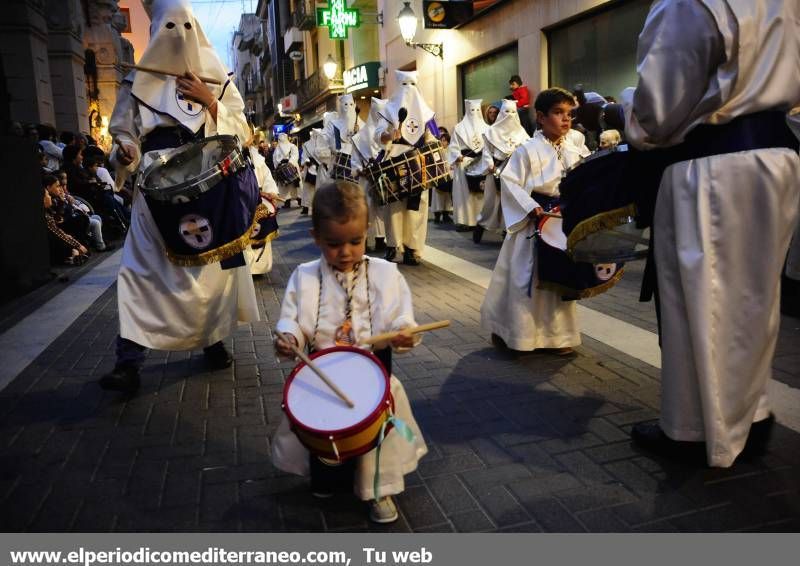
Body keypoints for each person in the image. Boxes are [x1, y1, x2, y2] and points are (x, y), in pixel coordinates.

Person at [623, 0, 800, 468]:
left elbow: (658, 110)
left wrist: (632, 117)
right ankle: (752, 412)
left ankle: (694, 430)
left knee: (699, 297)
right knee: (755, 300)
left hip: (714, 159)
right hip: (777, 159)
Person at [100, 0, 259, 394]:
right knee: (140, 272)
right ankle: (128, 361)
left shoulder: (218, 78)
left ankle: (214, 341)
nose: (176, 35)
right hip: (156, 190)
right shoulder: (135, 84)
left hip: (210, 183)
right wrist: (126, 152)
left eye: (184, 25)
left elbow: (243, 130)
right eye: (167, 26)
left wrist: (210, 100)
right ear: (154, 30)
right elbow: (123, 134)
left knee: (213, 275)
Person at [271, 181, 427, 524]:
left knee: (376, 432)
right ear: (316, 237)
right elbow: (293, 320)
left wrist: (404, 333)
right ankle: (326, 479)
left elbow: (401, 315)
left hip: (373, 369)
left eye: (355, 242)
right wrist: (289, 338)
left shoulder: (386, 273)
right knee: (321, 426)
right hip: (321, 370)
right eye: (333, 244)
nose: (345, 252)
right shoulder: (305, 275)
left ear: (367, 231)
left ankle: (379, 488)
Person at [481, 88, 589, 353]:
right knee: (525, 279)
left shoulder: (574, 151)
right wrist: (530, 207)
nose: (566, 120)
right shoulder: (526, 151)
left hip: (560, 224)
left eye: (569, 114)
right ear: (540, 117)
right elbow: (509, 181)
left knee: (559, 281)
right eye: (558, 113)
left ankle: (557, 337)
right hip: (533, 223)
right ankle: (516, 334)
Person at [374, 70, 441, 266]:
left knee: (415, 208)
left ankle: (412, 248)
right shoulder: (388, 110)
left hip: (417, 164)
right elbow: (378, 134)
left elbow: (432, 137)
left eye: (411, 85)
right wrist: (388, 136)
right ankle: (393, 246)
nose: (408, 90)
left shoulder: (426, 113)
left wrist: (433, 149)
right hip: (394, 163)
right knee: (394, 208)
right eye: (405, 86)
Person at [474, 100, 529, 243]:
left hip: (514, 174)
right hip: (496, 172)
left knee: (511, 203)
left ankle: (507, 231)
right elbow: (486, 150)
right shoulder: (491, 132)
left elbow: (527, 149)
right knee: (491, 204)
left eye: (512, 112)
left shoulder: (521, 132)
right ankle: (480, 225)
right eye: (506, 112)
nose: (509, 115)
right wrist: (490, 164)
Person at [350, 97, 389, 251]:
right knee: (366, 209)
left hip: (382, 178)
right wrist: (360, 170)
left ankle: (380, 240)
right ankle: (365, 241)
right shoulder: (359, 137)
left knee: (381, 208)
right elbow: (355, 159)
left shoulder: (387, 135)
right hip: (365, 180)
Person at [243, 128, 280, 276]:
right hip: (241, 203)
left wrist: (270, 193)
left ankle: (258, 268)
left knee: (260, 232)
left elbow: (267, 179)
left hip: (259, 202)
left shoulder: (258, 160)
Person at [449, 99, 489, 232]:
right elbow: (453, 146)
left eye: (477, 110)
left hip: (480, 163)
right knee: (465, 195)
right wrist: (456, 155)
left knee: (478, 194)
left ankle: (480, 222)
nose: (475, 113)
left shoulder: (487, 129)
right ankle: (465, 221)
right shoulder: (459, 128)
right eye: (472, 110)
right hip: (464, 163)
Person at [300, 128, 333, 216]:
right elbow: (304, 155)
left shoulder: (324, 144)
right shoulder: (306, 145)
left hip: (321, 168)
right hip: (310, 168)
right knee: (308, 189)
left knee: (321, 187)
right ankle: (306, 206)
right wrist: (307, 161)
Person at [273, 133, 301, 208]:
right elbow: (275, 159)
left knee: (295, 185)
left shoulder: (292, 146)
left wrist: (290, 163)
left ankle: (299, 199)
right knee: (284, 187)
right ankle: (286, 201)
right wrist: (278, 165)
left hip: (291, 168)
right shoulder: (277, 149)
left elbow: (295, 155)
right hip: (282, 169)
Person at [431, 131, 453, 224]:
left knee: (447, 196)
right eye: (441, 140)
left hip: (449, 176)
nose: (443, 142)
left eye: (444, 140)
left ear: (448, 142)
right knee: (438, 196)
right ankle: (437, 215)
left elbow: (452, 162)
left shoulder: (451, 151)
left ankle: (446, 214)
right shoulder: (437, 151)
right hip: (438, 176)